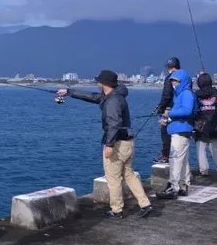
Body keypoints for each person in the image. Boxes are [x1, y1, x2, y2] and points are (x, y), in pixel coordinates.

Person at [57, 70, 153, 219]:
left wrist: (109, 145)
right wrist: (69, 92)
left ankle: (117, 210)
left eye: (98, 81)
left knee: (113, 178)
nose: (97, 83)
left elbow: (114, 123)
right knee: (129, 174)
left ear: (103, 83)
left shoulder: (112, 101)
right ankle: (145, 204)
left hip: (117, 144)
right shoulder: (115, 96)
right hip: (127, 142)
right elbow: (94, 98)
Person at [156, 69, 197, 199]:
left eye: (176, 81)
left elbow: (187, 110)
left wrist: (170, 113)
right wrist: (167, 119)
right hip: (181, 129)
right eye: (172, 81)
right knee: (183, 160)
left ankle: (173, 188)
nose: (173, 83)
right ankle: (184, 186)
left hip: (180, 131)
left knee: (175, 158)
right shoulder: (181, 94)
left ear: (183, 81)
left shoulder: (186, 94)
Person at [154, 57, 181, 164]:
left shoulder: (170, 78)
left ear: (168, 67)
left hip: (169, 109)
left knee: (165, 131)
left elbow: (166, 95)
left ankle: (165, 155)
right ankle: (175, 156)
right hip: (182, 109)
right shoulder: (185, 77)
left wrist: (160, 108)